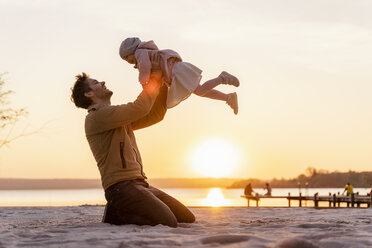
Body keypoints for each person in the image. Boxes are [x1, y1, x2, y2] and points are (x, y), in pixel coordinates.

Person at [70, 72, 195, 227]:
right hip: (121, 187)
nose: (102, 81)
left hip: (139, 183)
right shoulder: (97, 116)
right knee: (168, 222)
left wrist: (162, 85)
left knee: (187, 218)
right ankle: (120, 214)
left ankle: (117, 210)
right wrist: (153, 80)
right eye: (96, 82)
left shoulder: (115, 117)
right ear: (88, 93)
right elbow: (140, 108)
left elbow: (154, 115)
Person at [119, 37, 240, 114]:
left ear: (131, 51)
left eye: (127, 58)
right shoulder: (146, 52)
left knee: (199, 90)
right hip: (176, 72)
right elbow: (156, 71)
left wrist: (143, 81)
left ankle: (223, 78)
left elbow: (145, 67)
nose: (129, 62)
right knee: (200, 91)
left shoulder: (140, 52)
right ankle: (228, 97)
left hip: (177, 71)